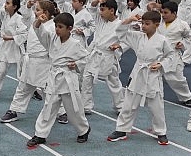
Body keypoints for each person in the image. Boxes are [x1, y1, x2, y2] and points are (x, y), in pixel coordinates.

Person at [107, 11, 175, 145]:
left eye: (147, 24)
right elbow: (120, 33)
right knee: (129, 104)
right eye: (142, 23)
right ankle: (122, 129)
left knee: (157, 107)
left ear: (156, 25)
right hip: (138, 73)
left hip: (152, 75)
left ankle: (160, 131)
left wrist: (161, 64)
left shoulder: (162, 40)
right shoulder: (137, 37)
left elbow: (171, 55)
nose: (143, 26)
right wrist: (128, 20)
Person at [26, 12, 91, 147]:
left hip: (68, 79)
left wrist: (76, 65)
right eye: (56, 26)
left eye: (60, 27)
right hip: (54, 78)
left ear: (70, 28)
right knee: (48, 107)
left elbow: (86, 59)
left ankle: (83, 130)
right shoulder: (52, 39)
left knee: (74, 110)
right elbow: (40, 33)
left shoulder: (75, 44)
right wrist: (39, 22)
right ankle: (40, 134)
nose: (57, 29)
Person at [158, 1, 191, 106]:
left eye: (166, 13)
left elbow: (189, 37)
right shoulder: (158, 22)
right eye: (162, 12)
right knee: (148, 73)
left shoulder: (182, 24)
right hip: (158, 53)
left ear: (174, 13)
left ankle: (186, 97)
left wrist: (182, 43)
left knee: (176, 78)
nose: (163, 15)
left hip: (173, 54)